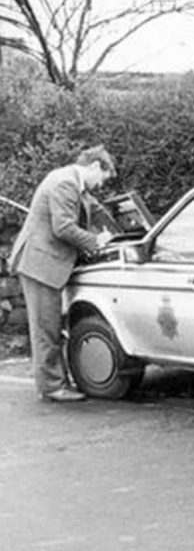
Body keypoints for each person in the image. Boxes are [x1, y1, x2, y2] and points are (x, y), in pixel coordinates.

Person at [8, 146, 116, 402]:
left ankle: (54, 382)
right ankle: (52, 387)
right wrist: (95, 241)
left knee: (49, 325)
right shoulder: (65, 183)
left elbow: (95, 209)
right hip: (40, 265)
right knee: (46, 327)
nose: (101, 184)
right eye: (103, 177)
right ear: (95, 167)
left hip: (44, 262)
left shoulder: (73, 182)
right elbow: (63, 227)